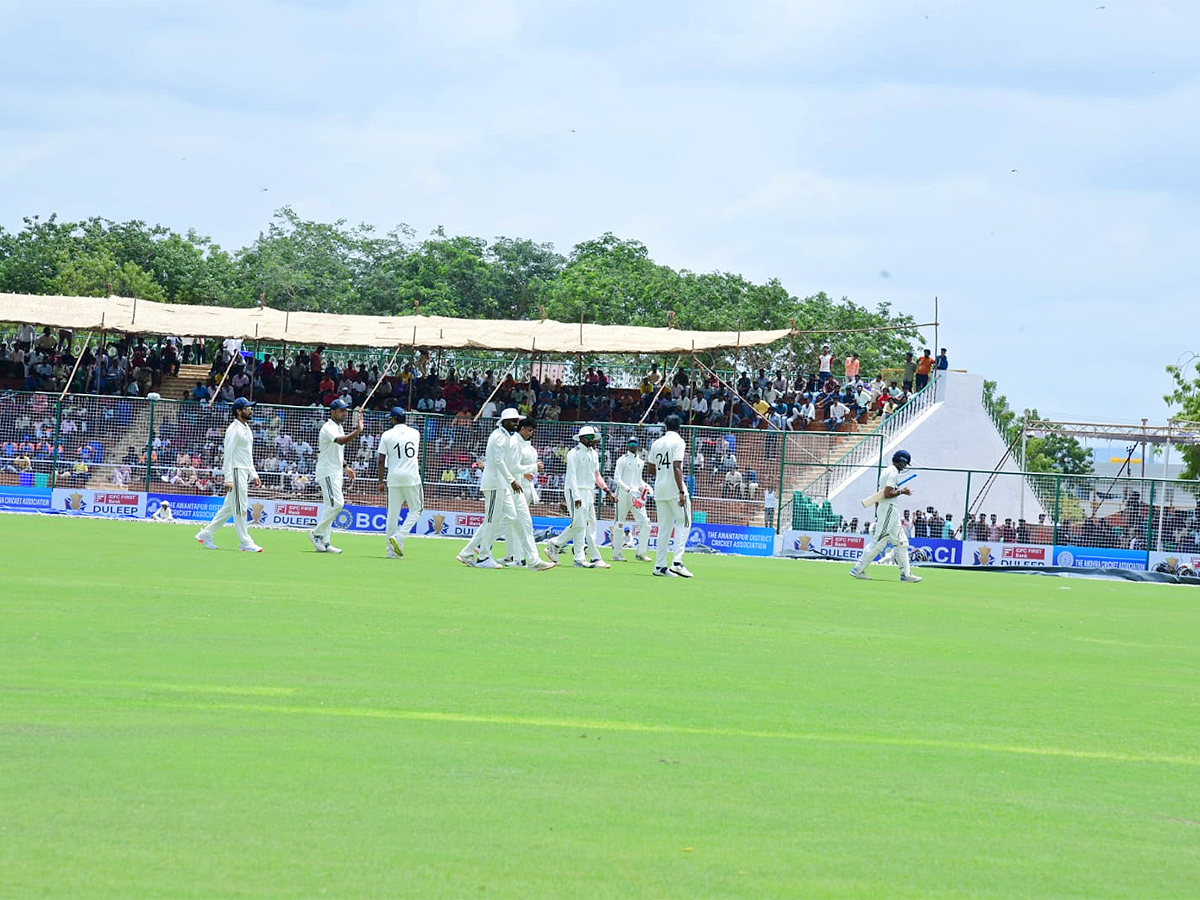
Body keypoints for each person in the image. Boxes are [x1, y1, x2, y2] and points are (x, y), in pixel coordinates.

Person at [195, 397, 263, 552]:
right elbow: (228, 454)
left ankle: (205, 534)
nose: (250, 410)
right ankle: (245, 542)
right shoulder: (234, 429)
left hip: (244, 471)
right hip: (236, 471)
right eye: (247, 408)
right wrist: (228, 478)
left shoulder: (246, 428)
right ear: (239, 411)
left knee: (228, 508)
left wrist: (254, 474)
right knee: (241, 508)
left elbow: (247, 454)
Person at [457, 408, 523, 569]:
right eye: (514, 421)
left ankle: (469, 550)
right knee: (491, 520)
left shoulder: (506, 436)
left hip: (501, 484)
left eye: (517, 420)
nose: (517, 423)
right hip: (494, 483)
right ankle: (484, 556)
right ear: (505, 421)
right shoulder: (499, 437)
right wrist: (512, 480)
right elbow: (499, 461)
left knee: (510, 516)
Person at [545, 425, 615, 568]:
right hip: (574, 491)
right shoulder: (574, 453)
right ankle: (581, 557)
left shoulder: (594, 454)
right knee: (580, 524)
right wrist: (576, 496)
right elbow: (571, 477)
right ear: (582, 437)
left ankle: (556, 544)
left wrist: (607, 491)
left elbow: (597, 475)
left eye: (594, 437)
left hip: (589, 491)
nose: (593, 440)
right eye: (590, 437)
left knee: (590, 524)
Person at [849, 449, 921, 583]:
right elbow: (887, 494)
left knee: (902, 543)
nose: (905, 467)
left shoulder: (886, 471)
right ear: (902, 462)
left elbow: (880, 493)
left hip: (889, 510)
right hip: (888, 509)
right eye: (905, 464)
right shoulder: (892, 473)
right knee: (879, 541)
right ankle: (858, 569)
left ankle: (906, 574)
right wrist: (902, 491)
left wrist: (877, 512)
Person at [309, 398, 364, 554]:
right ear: (332, 412)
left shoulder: (338, 427)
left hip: (336, 471)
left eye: (345, 410)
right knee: (337, 504)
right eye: (341, 411)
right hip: (327, 471)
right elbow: (340, 442)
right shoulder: (328, 427)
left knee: (329, 506)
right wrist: (358, 431)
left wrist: (346, 467)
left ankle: (325, 542)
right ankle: (316, 533)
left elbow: (336, 452)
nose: (344, 413)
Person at [502, 417, 555, 571]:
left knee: (520, 524)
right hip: (515, 487)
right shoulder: (515, 443)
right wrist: (530, 469)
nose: (531, 433)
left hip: (524, 488)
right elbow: (510, 466)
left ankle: (525, 559)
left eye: (533, 431)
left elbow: (520, 468)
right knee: (508, 522)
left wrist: (530, 471)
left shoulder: (529, 448)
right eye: (529, 430)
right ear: (522, 428)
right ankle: (481, 548)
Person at [647, 414, 694, 578]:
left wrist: (662, 473)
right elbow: (677, 466)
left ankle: (659, 566)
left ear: (665, 427)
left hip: (660, 488)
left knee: (664, 528)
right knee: (685, 522)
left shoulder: (656, 443)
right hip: (675, 488)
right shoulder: (679, 441)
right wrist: (681, 491)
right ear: (679, 427)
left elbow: (650, 470)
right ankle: (677, 563)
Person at [376, 407, 423, 559]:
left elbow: (381, 460)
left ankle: (391, 551)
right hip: (411, 476)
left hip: (393, 477)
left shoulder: (387, 435)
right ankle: (400, 536)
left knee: (392, 514)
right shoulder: (415, 433)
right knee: (416, 509)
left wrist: (381, 481)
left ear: (394, 419)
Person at [611, 437, 651, 562]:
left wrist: (646, 487)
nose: (632, 445)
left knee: (646, 524)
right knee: (619, 524)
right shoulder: (622, 460)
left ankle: (641, 553)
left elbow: (638, 480)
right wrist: (628, 489)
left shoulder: (640, 461)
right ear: (627, 445)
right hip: (623, 495)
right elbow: (617, 478)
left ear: (638, 445)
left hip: (636, 497)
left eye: (635, 443)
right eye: (630, 443)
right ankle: (617, 554)